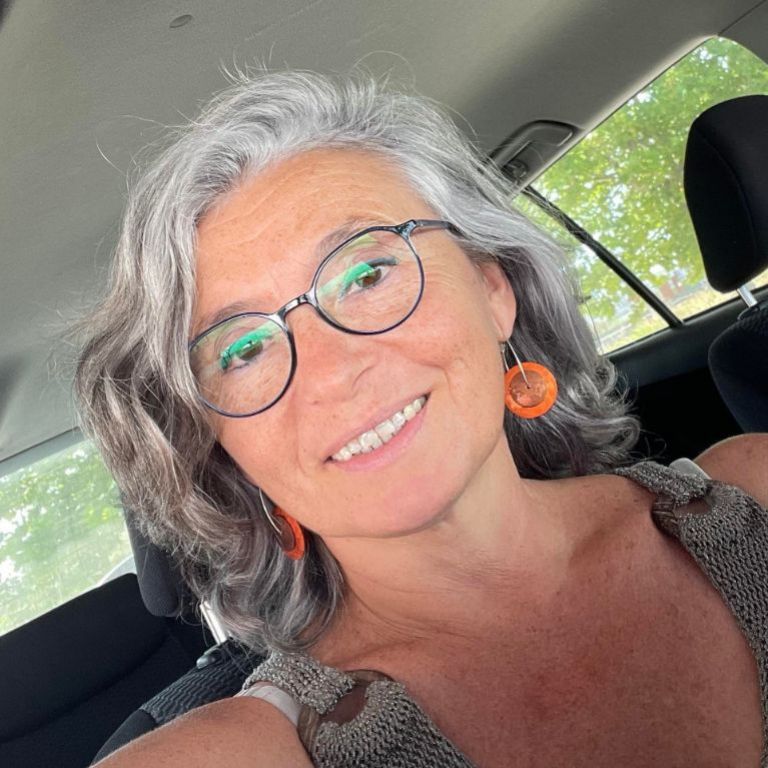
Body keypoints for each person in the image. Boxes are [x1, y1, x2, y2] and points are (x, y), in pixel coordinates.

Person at [74, 71, 768, 767]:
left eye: (366, 276)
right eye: (244, 350)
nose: (332, 372)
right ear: (226, 450)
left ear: (492, 289)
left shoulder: (755, 489)